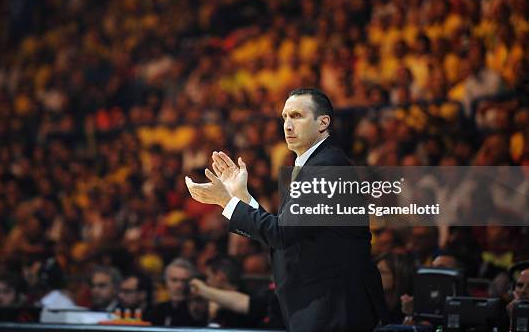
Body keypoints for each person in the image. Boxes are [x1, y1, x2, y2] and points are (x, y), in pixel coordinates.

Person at [186, 88, 387, 331]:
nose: (288, 125)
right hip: (323, 304)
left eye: (297, 116)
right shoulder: (314, 165)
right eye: (285, 117)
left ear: (323, 123)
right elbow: (287, 229)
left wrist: (226, 202)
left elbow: (282, 233)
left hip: (334, 308)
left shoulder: (328, 167)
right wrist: (242, 195)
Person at [143, 258, 205, 326]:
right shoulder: (155, 311)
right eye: (174, 280)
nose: (179, 286)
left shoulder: (199, 313)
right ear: (166, 282)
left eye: (184, 281)